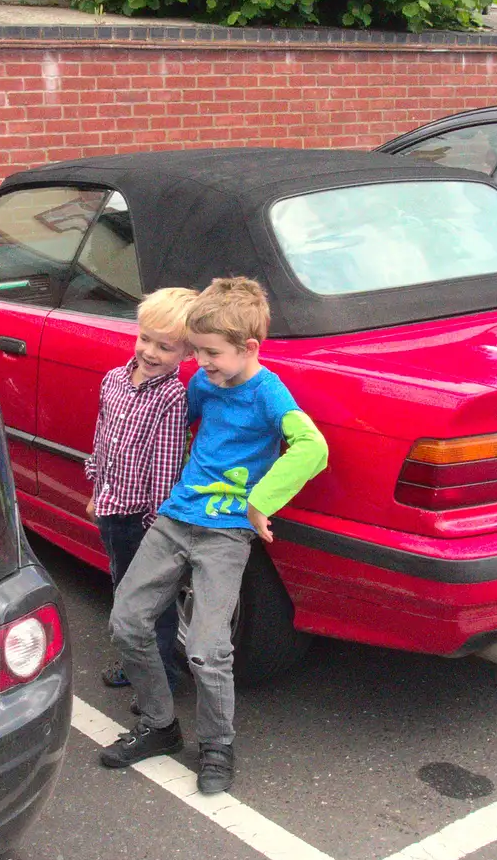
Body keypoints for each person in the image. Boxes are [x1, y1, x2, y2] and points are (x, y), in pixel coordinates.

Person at [98, 277, 329, 794]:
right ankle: (159, 726)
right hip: (177, 516)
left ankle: (217, 744)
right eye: (197, 351)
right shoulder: (204, 383)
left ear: (249, 348)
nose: (199, 363)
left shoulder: (268, 394)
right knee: (128, 621)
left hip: (225, 535)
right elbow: (181, 427)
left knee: (206, 648)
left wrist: (260, 501)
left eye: (211, 353)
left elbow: (312, 448)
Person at [85, 287, 198, 694]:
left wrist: (156, 524)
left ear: (186, 353)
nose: (151, 352)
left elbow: (166, 469)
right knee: (122, 588)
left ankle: (162, 676)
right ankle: (137, 662)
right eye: (145, 339)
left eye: (165, 347)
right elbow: (103, 437)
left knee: (153, 600)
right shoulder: (114, 380)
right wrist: (97, 487)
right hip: (113, 510)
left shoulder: (171, 397)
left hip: (142, 520)